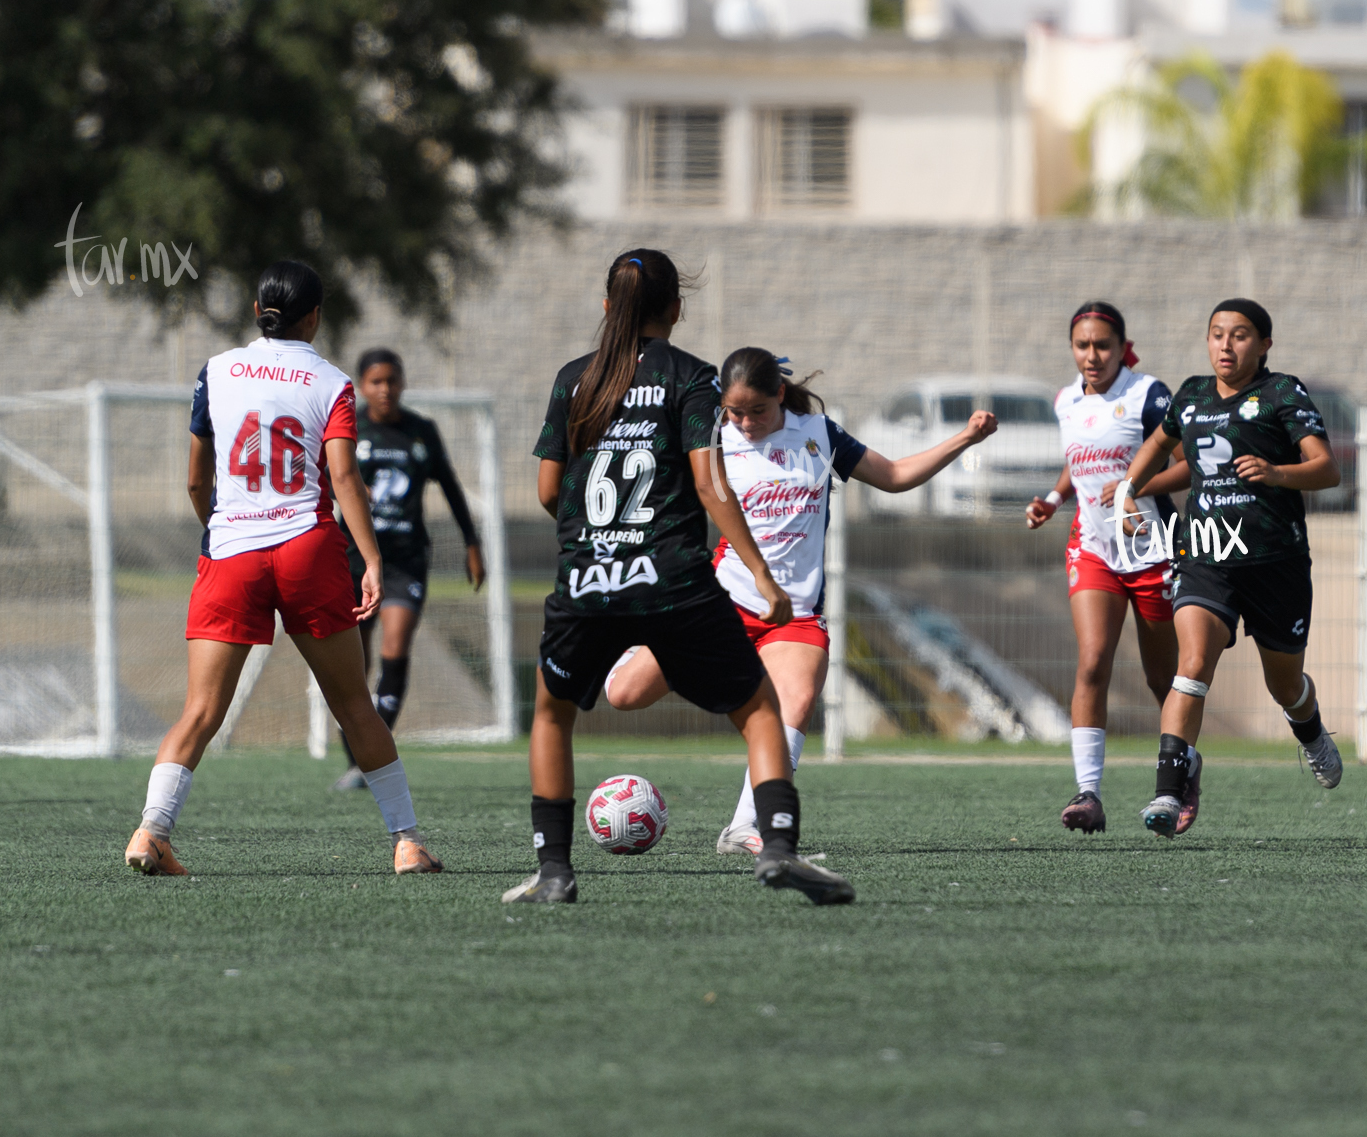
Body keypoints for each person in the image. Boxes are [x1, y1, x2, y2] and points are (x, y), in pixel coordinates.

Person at [509, 248, 853, 906]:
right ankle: (776, 845)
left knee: (551, 717)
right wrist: (760, 571)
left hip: (590, 577)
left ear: (607, 307)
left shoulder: (573, 380)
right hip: (672, 576)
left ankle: (554, 869)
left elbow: (549, 488)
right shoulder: (692, 377)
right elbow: (708, 481)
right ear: (676, 309)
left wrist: (593, 538)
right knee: (759, 710)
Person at [605, 346, 997, 853]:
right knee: (623, 696)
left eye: (757, 411)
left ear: (781, 395)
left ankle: (746, 826)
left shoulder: (818, 435)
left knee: (795, 701)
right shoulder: (713, 443)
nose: (744, 423)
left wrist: (965, 438)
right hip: (720, 602)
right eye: (734, 411)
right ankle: (642, 634)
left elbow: (896, 477)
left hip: (794, 614)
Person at [125, 261, 442, 877]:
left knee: (199, 711)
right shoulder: (331, 381)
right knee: (354, 705)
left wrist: (220, 528)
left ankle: (150, 833)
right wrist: (372, 560)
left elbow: (197, 478)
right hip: (307, 549)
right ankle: (405, 842)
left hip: (233, 551)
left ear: (255, 309)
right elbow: (344, 477)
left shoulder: (216, 371)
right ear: (316, 316)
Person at [1113, 299, 1343, 837]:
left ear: (1264, 345)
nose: (1225, 345)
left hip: (1274, 564)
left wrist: (1276, 472)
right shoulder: (1191, 396)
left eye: (1239, 336)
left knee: (1284, 685)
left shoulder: (1283, 392)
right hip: (1207, 558)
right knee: (1191, 667)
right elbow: (1157, 446)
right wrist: (1128, 491)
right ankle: (1169, 789)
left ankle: (1309, 731)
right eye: (1217, 334)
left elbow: (1327, 469)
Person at [1025, 302, 1192, 836]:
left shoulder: (1150, 396)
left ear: (1123, 347)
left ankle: (1183, 769)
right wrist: (1053, 498)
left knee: (1162, 679)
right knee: (1092, 660)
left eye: (1102, 346)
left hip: (1151, 548)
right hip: (1092, 545)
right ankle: (1088, 793)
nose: (1091, 356)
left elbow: (1190, 464)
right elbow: (1081, 461)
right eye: (1082, 346)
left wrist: (1132, 488)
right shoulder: (1065, 400)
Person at [331, 347, 486, 791]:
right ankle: (357, 761)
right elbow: (328, 486)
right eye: (376, 382)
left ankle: (371, 756)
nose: (385, 389)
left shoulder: (420, 431)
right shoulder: (348, 429)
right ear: (362, 386)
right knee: (351, 666)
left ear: (402, 383)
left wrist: (472, 543)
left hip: (405, 559)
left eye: (392, 381)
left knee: (395, 649)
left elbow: (452, 489)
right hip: (354, 559)